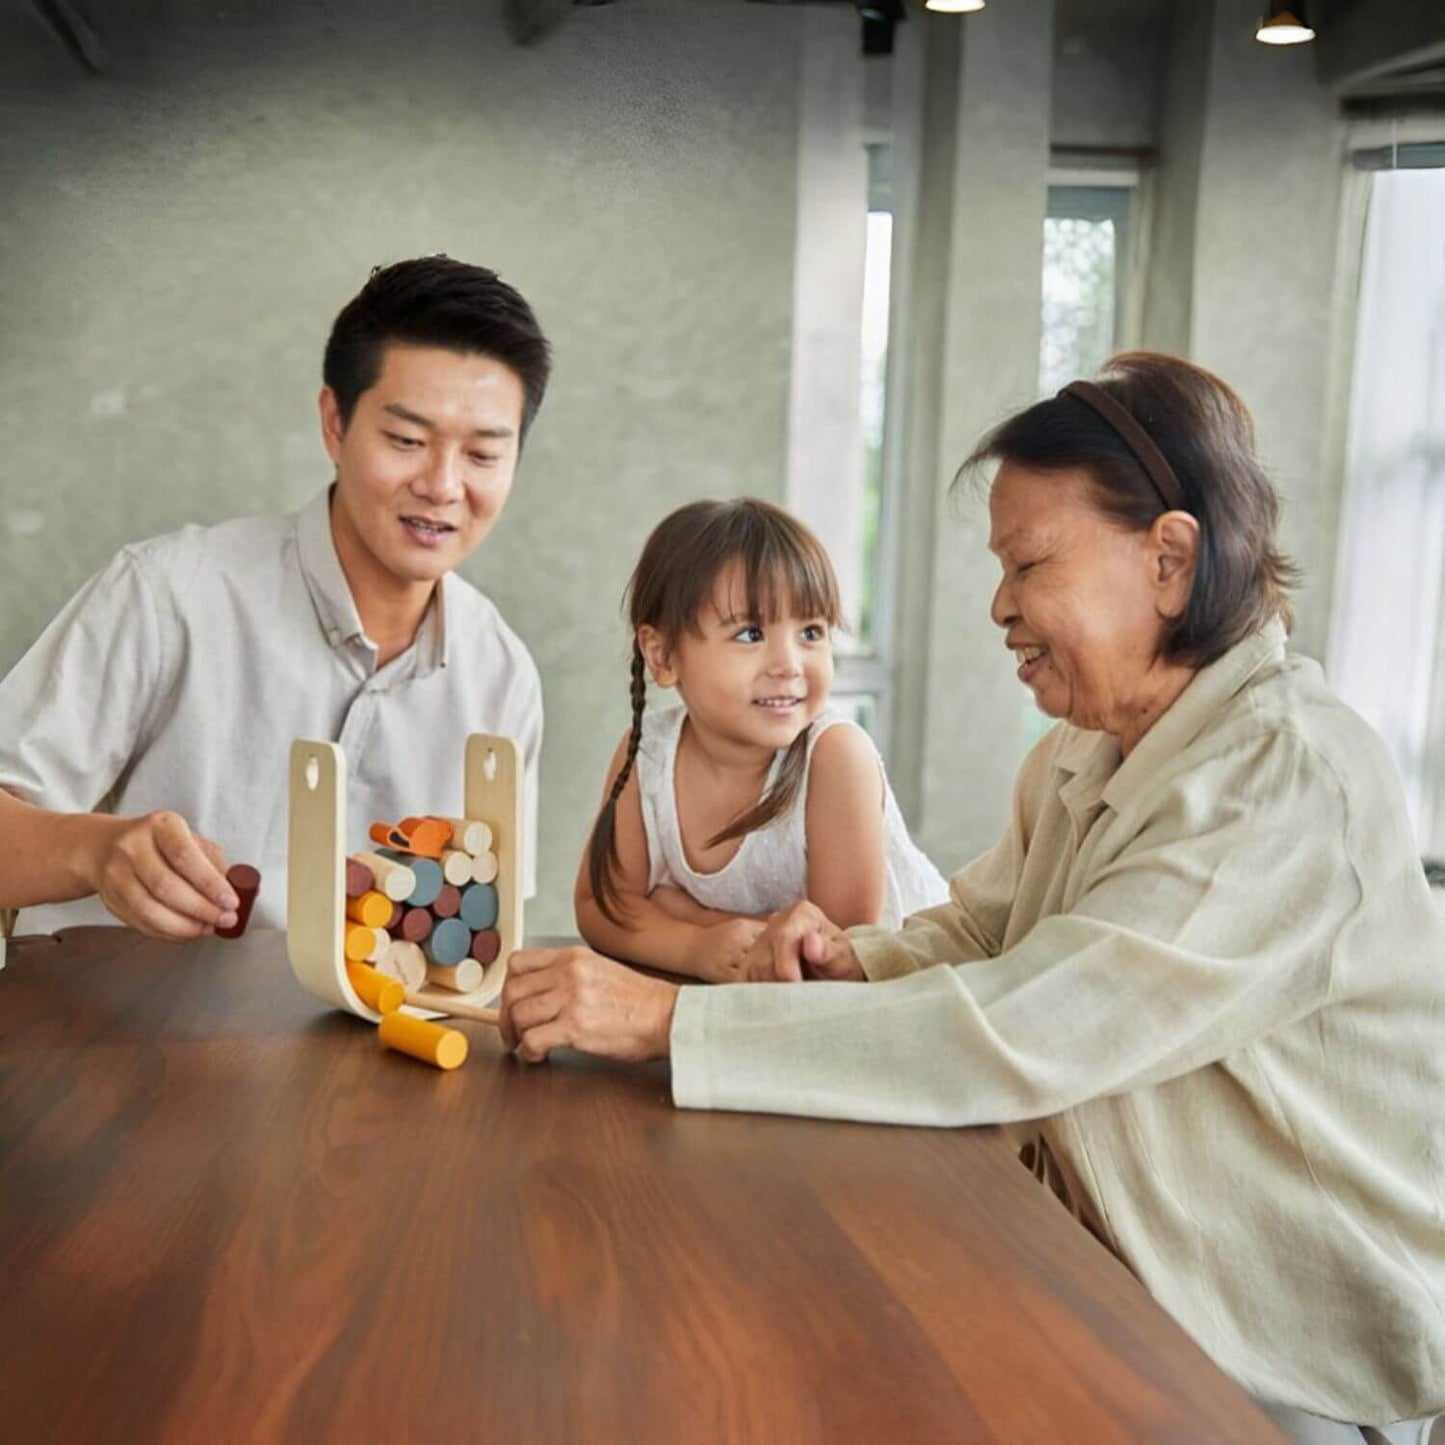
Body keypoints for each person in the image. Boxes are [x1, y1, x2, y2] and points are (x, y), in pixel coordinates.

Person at [499, 354, 1445, 1441]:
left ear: (1169, 563)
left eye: (1028, 563)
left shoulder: (1283, 780)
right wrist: (857, 959)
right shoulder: (1083, 754)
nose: (997, 605)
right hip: (1096, 1278)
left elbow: (1025, 1026)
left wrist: (668, 1018)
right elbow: (977, 929)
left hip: (1270, 1367)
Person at [0, 256, 549, 940]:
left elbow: (482, 932)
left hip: (365, 1044)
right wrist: (94, 850)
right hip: (111, 1034)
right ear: (334, 424)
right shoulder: (171, 594)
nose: (441, 485)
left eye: (482, 455)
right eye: (407, 440)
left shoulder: (500, 675)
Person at [575, 498, 947, 982]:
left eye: (811, 631)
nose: (789, 664)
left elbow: (831, 962)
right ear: (663, 654)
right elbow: (600, 906)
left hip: (918, 996)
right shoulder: (647, 754)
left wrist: (679, 911)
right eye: (751, 634)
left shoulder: (834, 758)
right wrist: (696, 946)